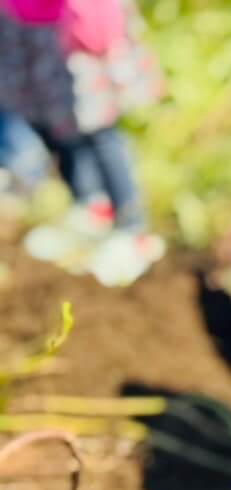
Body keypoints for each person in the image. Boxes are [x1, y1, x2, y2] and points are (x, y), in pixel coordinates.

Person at [0, 0, 164, 285]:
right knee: (61, 127)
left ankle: (132, 229)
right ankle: (91, 210)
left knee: (100, 130)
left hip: (81, 28)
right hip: (30, 24)